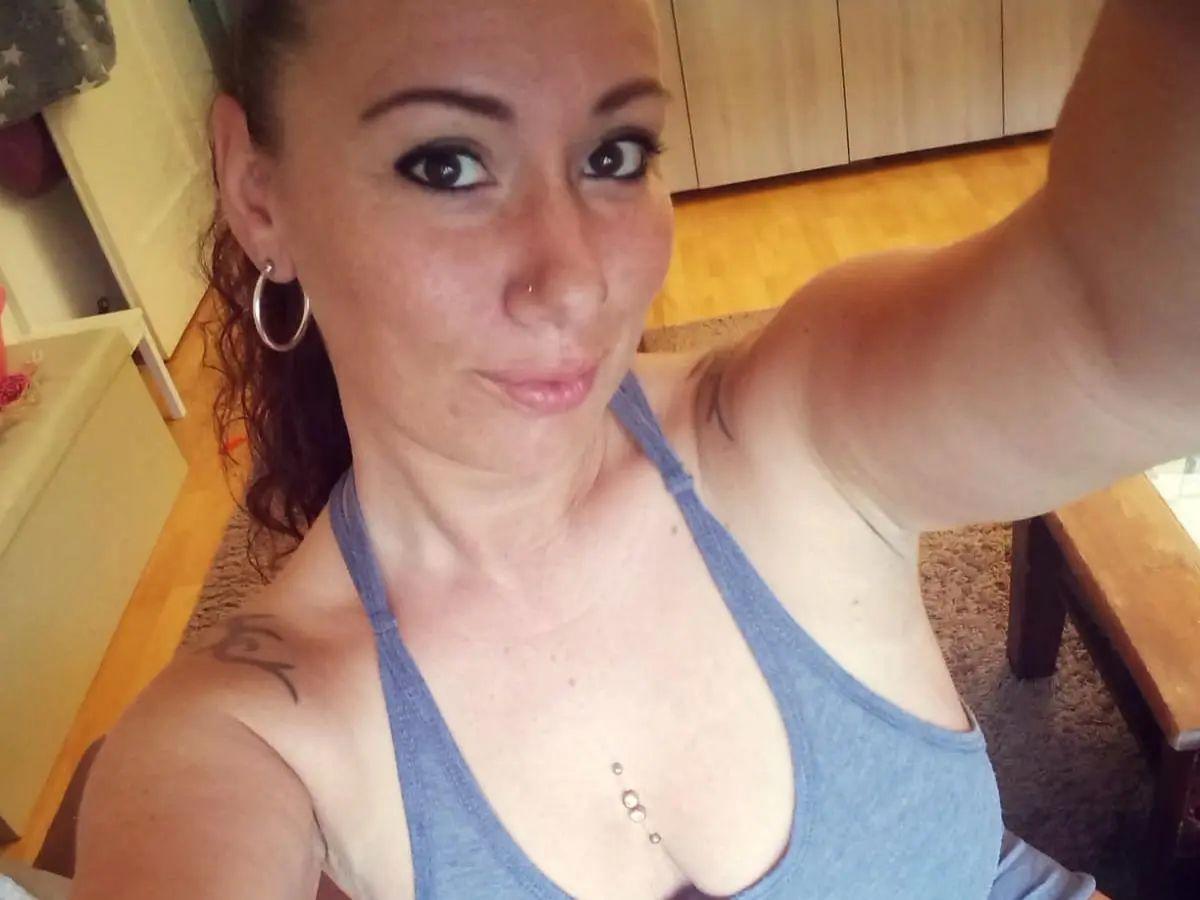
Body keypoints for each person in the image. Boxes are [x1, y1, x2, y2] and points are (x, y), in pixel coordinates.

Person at [72, 0, 1198, 896]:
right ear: (258, 192)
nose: (573, 281)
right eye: (448, 164)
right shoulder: (242, 732)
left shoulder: (790, 428)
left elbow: (1127, 326)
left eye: (614, 152)